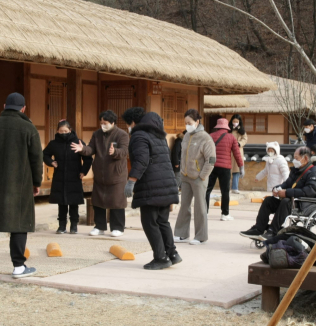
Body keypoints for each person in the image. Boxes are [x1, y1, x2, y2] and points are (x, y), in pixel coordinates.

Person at [0, 93, 43, 279]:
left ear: (5, 105)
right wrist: (36, 183)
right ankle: (18, 266)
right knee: (19, 224)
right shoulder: (28, 128)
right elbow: (36, 159)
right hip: (20, 185)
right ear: (23, 109)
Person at [123, 109, 182, 270]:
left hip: (151, 186)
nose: (128, 128)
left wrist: (131, 181)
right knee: (162, 221)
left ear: (133, 122)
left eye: (128, 124)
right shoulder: (159, 136)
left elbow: (141, 161)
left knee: (150, 222)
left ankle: (161, 258)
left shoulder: (139, 135)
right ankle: (172, 254)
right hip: (166, 185)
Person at [240, 147, 316, 240]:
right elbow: (287, 184)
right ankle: (259, 228)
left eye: (297, 158)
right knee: (268, 200)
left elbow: (310, 191)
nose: (294, 160)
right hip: (294, 201)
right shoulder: (296, 171)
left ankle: (273, 231)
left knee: (286, 201)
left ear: (305, 159)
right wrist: (277, 188)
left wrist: (287, 192)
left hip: (307, 204)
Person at [71, 110, 129, 237]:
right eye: (101, 122)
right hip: (100, 173)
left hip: (116, 174)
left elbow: (125, 151)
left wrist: (115, 152)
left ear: (113, 122)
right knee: (98, 201)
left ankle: (117, 227)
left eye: (105, 123)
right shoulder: (97, 134)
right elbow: (91, 148)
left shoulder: (122, 134)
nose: (103, 125)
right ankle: (99, 226)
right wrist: (83, 149)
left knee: (116, 201)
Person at [173, 109, 216, 245]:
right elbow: (182, 155)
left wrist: (202, 175)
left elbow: (211, 160)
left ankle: (200, 236)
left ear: (197, 122)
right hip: (185, 176)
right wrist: (181, 172)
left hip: (199, 178)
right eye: (185, 123)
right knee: (184, 205)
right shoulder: (186, 136)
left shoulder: (205, 138)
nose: (187, 125)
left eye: (189, 123)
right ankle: (181, 234)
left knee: (200, 207)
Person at [43, 120, 93, 234]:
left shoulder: (77, 142)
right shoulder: (53, 143)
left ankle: (74, 226)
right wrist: (51, 162)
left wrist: (83, 171)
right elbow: (45, 154)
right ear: (57, 131)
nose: (63, 133)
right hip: (59, 176)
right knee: (61, 203)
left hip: (74, 176)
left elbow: (88, 158)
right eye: (61, 131)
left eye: (66, 131)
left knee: (73, 202)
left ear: (70, 130)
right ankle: (61, 226)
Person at [205, 118, 244, 221]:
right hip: (225, 167)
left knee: (207, 189)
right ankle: (225, 214)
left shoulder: (210, 136)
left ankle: (204, 212)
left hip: (211, 166)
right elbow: (237, 154)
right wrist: (241, 166)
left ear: (217, 126)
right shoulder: (231, 137)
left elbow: (205, 151)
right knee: (225, 191)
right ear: (227, 127)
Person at [229, 114, 248, 194]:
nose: (235, 123)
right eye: (234, 121)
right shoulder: (228, 129)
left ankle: (234, 187)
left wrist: (239, 143)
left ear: (239, 122)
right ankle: (226, 187)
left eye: (237, 121)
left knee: (236, 171)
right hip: (229, 151)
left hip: (238, 151)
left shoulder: (242, 131)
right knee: (228, 170)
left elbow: (245, 139)